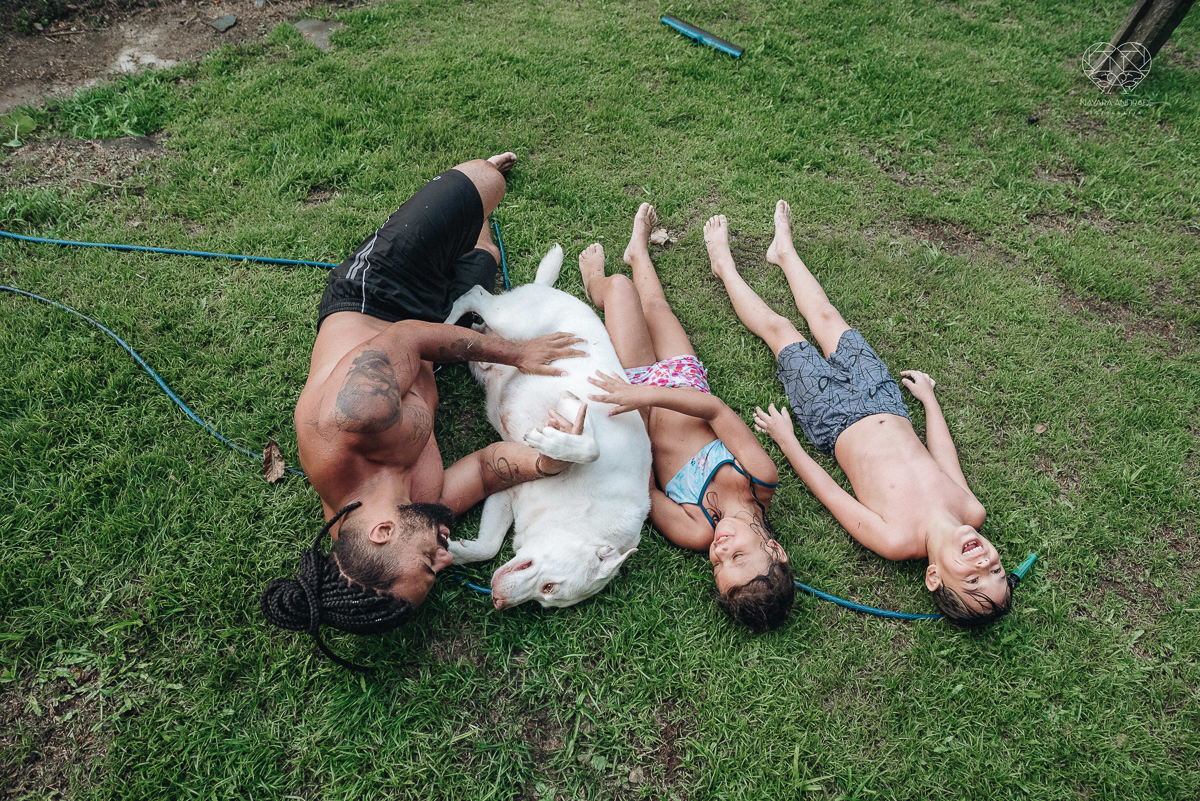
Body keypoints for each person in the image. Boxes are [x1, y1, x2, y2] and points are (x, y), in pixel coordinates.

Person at [262, 153, 589, 669]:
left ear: (382, 533)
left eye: (427, 564)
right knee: (484, 263)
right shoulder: (418, 511)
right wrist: (549, 462)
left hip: (382, 300)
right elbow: (484, 472)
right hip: (432, 348)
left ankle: (470, 180)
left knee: (488, 180)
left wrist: (515, 352)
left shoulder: (352, 418)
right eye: (439, 565)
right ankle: (466, 221)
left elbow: (411, 337)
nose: (445, 554)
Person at [707, 201, 1013, 626]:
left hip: (831, 415)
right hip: (883, 398)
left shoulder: (896, 539)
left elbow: (831, 494)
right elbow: (945, 457)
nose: (982, 564)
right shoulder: (971, 511)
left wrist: (787, 440)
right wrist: (929, 401)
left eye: (973, 581)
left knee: (781, 331)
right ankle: (784, 252)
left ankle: (724, 266)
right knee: (828, 315)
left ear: (933, 577)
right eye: (995, 570)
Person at [578, 203, 795, 633]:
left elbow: (642, 487)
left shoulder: (696, 529)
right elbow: (714, 411)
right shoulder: (760, 477)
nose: (720, 551)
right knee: (656, 308)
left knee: (621, 291)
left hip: (639, 400)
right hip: (683, 383)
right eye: (737, 556)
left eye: (718, 566)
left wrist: (635, 410)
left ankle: (595, 284)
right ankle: (638, 250)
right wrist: (655, 390)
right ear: (775, 548)